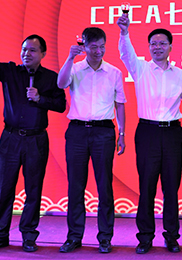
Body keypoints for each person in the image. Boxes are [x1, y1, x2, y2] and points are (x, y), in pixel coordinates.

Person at [0, 16, 66, 253]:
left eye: (32, 50)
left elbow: (60, 104)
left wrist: (40, 99)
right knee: (5, 188)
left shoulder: (51, 78)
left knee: (33, 188)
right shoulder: (10, 72)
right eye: (24, 49)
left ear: (43, 53)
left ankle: (28, 235)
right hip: (11, 138)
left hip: (36, 139)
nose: (27, 53)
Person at [116, 14, 182, 254]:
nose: (157, 47)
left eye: (162, 43)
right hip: (148, 132)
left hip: (173, 133)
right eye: (153, 43)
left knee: (171, 187)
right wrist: (124, 32)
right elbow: (126, 54)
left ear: (170, 47)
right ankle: (145, 237)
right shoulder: (141, 69)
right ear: (149, 47)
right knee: (147, 186)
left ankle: (171, 236)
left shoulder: (179, 73)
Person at [56, 27, 126, 254]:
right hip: (77, 131)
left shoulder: (114, 72)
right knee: (76, 186)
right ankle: (74, 236)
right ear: (84, 46)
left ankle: (105, 237)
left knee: (104, 186)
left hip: (104, 132)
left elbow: (120, 104)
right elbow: (61, 84)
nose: (98, 51)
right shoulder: (75, 68)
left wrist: (122, 133)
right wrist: (69, 58)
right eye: (93, 47)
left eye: (102, 46)